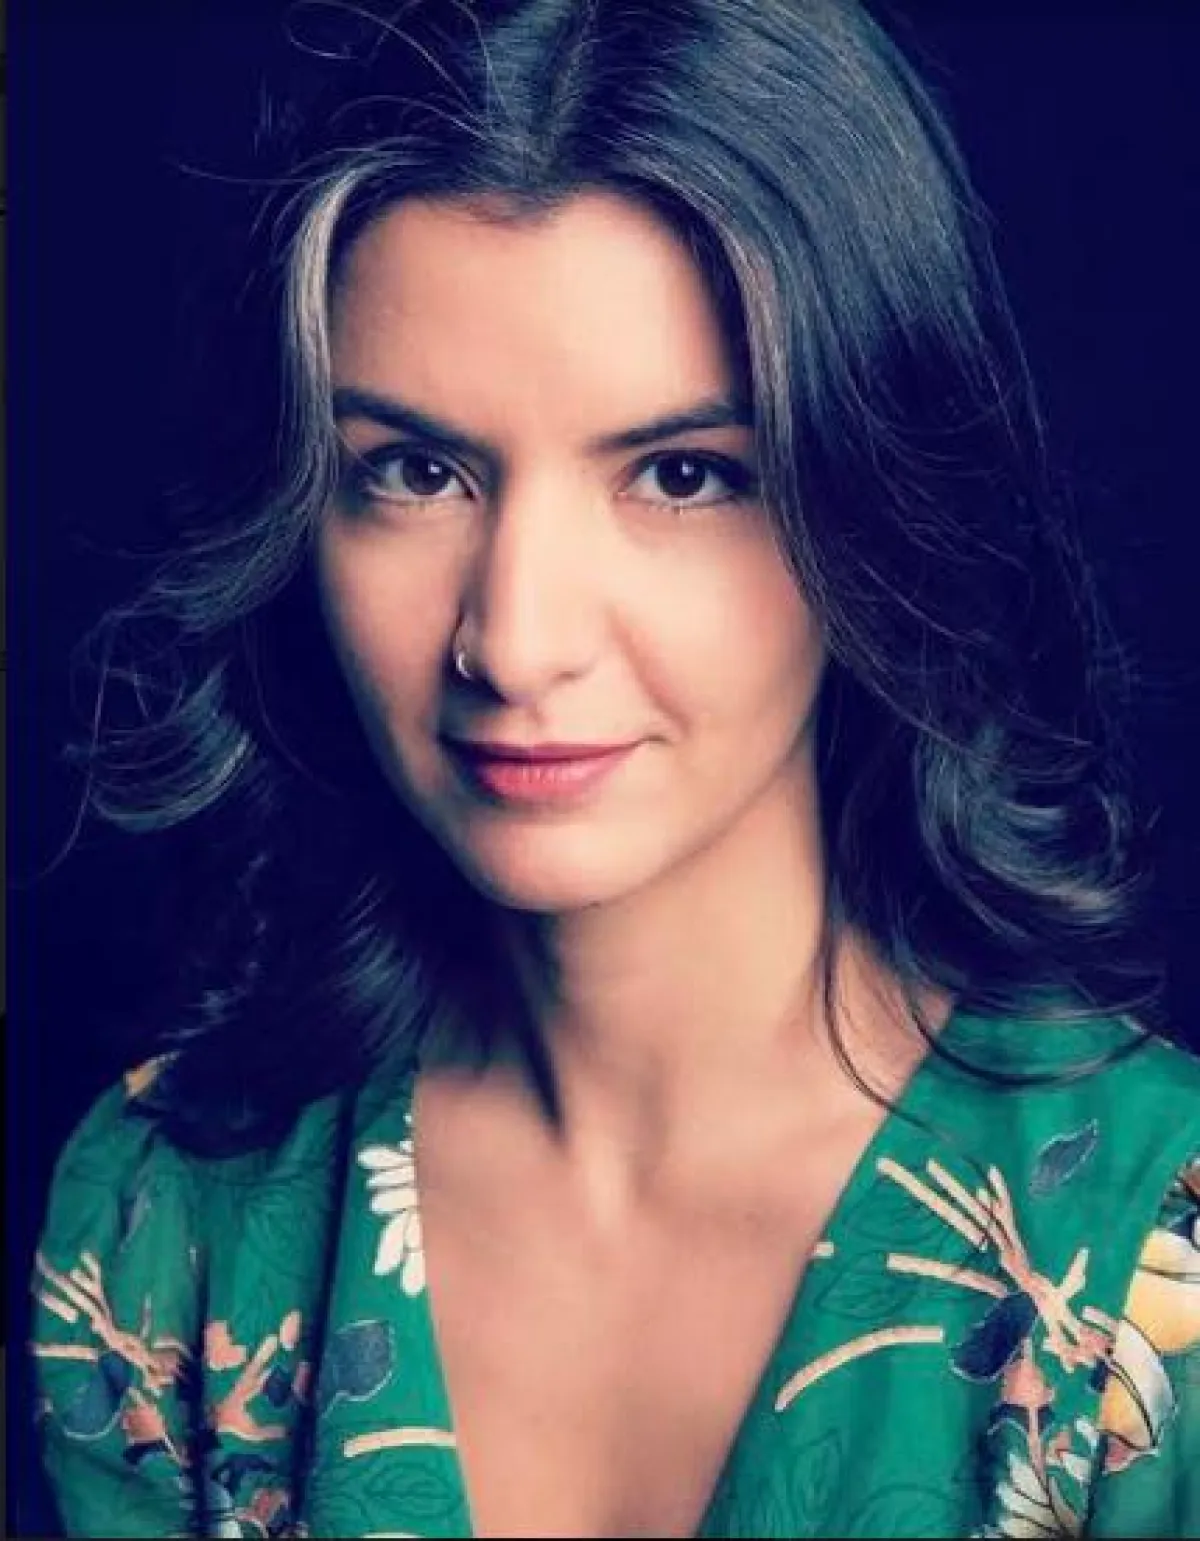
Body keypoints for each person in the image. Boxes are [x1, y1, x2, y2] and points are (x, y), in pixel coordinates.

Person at [27, 1, 1200, 1536]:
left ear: (879, 507)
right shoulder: (161, 1217)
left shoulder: (1149, 1260)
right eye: (416, 471)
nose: (515, 641)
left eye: (682, 475)